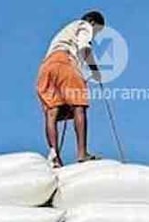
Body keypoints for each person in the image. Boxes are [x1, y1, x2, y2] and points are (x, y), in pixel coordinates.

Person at [36, 10, 106, 168]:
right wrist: (95, 71)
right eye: (97, 31)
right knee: (78, 106)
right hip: (65, 62)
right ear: (93, 23)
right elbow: (84, 47)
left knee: (52, 112)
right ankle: (82, 153)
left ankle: (54, 156)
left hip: (46, 67)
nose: (94, 35)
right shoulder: (85, 25)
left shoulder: (65, 32)